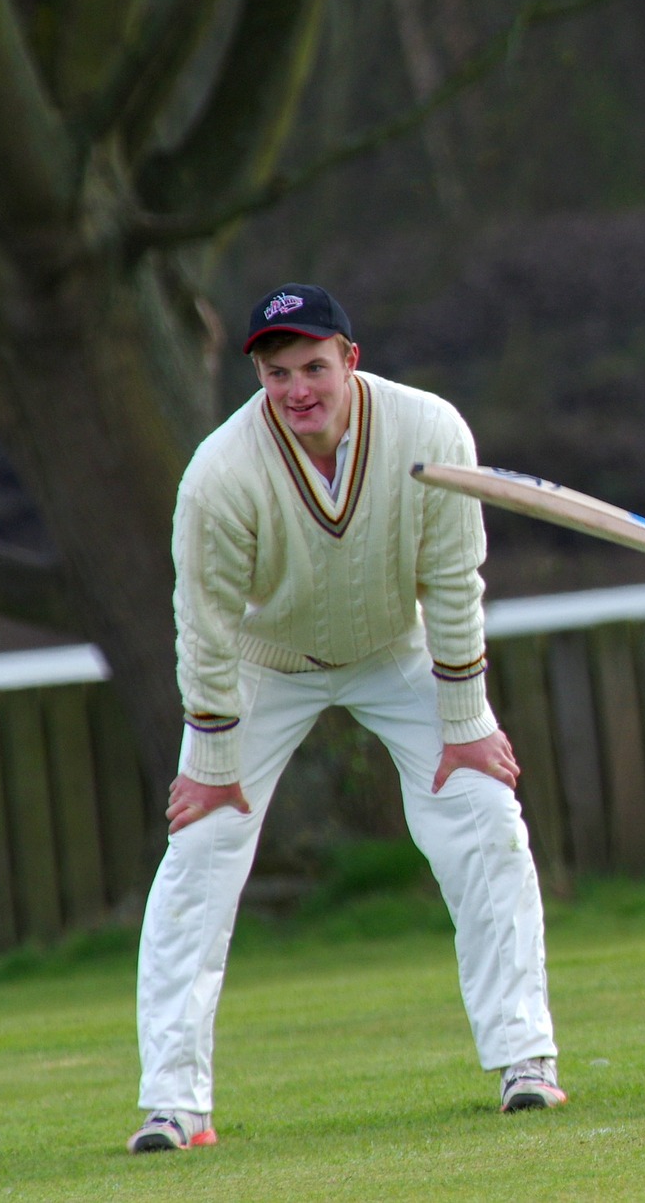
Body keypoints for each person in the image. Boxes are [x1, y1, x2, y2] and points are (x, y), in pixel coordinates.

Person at [128, 284, 563, 1153]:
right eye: (277, 372)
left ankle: (526, 1060)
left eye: (314, 367)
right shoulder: (220, 475)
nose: (298, 390)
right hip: (264, 663)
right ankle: (175, 1105)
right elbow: (205, 624)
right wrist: (212, 764)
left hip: (397, 650)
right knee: (200, 856)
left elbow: (452, 578)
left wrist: (467, 718)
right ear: (258, 374)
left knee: (484, 819)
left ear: (350, 361)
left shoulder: (431, 429)